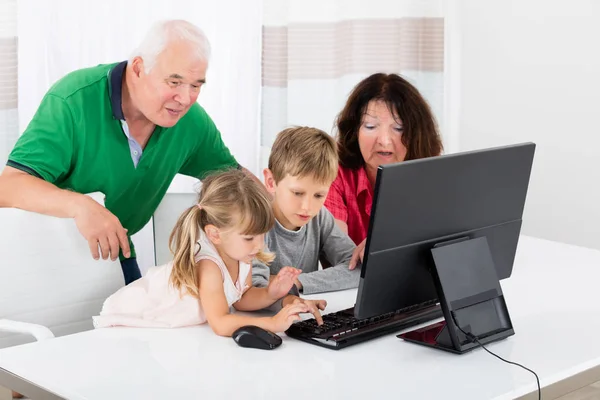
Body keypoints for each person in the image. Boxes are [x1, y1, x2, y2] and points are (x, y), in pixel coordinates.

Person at [0, 20, 259, 285]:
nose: (185, 98)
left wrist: (288, 203)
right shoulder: (72, 100)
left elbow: (238, 185)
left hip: (114, 255)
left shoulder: (190, 121)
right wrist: (80, 205)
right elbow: (8, 186)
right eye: (174, 81)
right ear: (138, 68)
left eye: (196, 85)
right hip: (39, 261)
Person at [93, 170, 326, 335]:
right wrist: (272, 323)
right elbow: (220, 322)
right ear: (215, 234)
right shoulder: (209, 266)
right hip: (138, 315)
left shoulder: (241, 256)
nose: (258, 245)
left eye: (262, 235)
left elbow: (241, 299)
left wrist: (270, 293)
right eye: (249, 238)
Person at [324, 73, 443, 269]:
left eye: (398, 128)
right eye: (370, 126)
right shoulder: (334, 171)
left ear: (416, 134)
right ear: (354, 131)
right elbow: (339, 252)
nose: (384, 140)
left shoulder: (432, 174)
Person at [252, 127, 359, 297]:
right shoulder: (254, 223)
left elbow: (357, 269)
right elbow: (257, 287)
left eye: (319, 195)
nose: (307, 207)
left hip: (305, 312)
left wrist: (296, 282)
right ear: (271, 182)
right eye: (297, 193)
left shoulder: (320, 217)